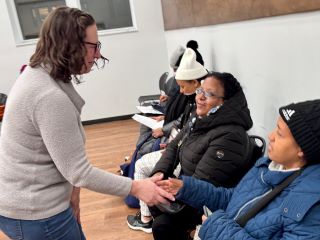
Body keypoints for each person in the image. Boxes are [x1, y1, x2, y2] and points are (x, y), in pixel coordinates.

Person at [0, 7, 173, 240]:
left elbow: (65, 162)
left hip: (28, 204)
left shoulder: (40, 75)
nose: (98, 55)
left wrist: (73, 197)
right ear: (70, 45)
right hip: (35, 213)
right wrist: (137, 187)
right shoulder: (48, 96)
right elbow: (79, 172)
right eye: (94, 46)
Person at [160, 99, 320, 239]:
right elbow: (234, 199)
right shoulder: (268, 165)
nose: (270, 136)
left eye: (280, 133)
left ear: (302, 149)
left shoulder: (311, 205)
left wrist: (216, 228)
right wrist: (188, 188)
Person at [128, 71, 254, 239]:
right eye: (201, 91)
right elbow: (174, 146)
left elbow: (201, 186)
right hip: (187, 188)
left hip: (205, 202)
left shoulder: (230, 136)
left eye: (209, 94)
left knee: (162, 224)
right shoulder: (200, 117)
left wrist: (164, 189)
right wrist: (159, 172)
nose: (200, 97)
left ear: (225, 103)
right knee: (157, 207)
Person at [127, 48, 208, 233]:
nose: (180, 90)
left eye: (182, 86)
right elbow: (183, 126)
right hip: (178, 149)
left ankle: (146, 217)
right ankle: (149, 215)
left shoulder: (200, 104)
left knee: (141, 164)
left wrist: (172, 144)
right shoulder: (192, 98)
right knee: (144, 155)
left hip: (186, 158)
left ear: (195, 82)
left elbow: (191, 135)